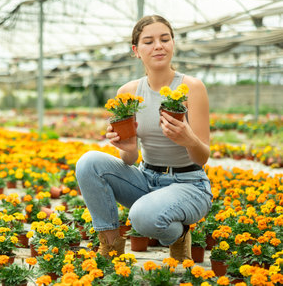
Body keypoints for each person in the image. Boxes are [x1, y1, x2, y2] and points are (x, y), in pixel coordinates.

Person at [75, 15, 212, 261]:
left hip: (189, 184)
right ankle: (110, 246)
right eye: (149, 41)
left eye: (165, 39)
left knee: (142, 217)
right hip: (146, 179)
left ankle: (178, 234)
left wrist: (189, 139)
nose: (158, 45)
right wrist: (127, 147)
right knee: (88, 163)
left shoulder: (193, 87)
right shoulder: (127, 93)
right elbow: (130, 159)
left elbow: (202, 158)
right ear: (136, 51)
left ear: (173, 44)